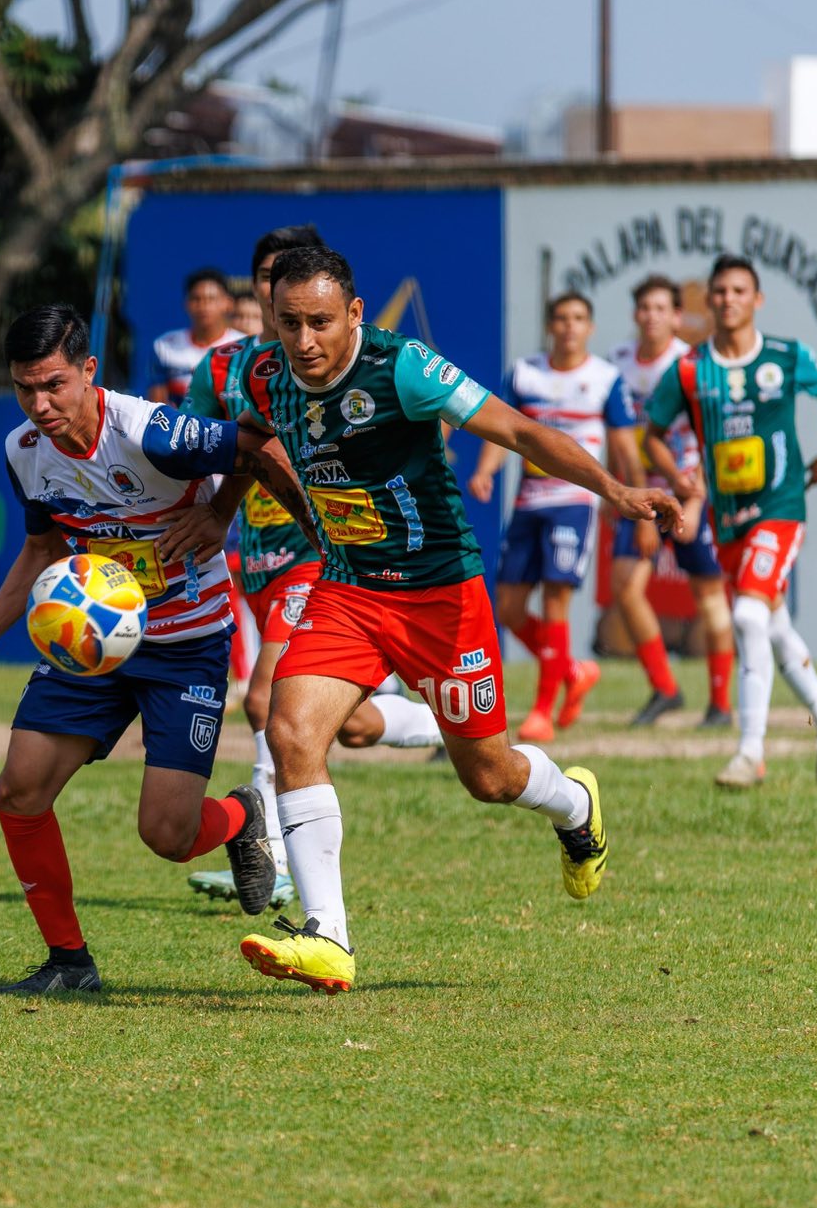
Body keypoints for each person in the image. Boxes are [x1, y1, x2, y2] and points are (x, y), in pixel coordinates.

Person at [222, 247, 679, 993]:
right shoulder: (266, 376)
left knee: (490, 777)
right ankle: (327, 935)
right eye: (288, 323)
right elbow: (254, 447)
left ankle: (574, 802)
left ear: (356, 315)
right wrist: (241, 522)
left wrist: (616, 491)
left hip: (442, 594)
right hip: (350, 587)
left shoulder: (404, 368)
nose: (304, 341)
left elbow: (523, 435)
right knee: (288, 725)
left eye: (320, 323)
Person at [0, 304, 313, 996]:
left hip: (188, 642)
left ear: (88, 371)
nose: (38, 405)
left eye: (53, 385)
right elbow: (41, 549)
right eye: (23, 389)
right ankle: (68, 961)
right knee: (19, 788)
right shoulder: (24, 453)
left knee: (165, 833)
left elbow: (260, 444)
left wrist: (220, 514)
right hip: (91, 647)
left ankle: (238, 816)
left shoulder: (152, 432)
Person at [182, 226, 445, 911]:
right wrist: (214, 515)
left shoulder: (357, 364)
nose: (286, 296)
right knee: (346, 726)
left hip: (319, 556)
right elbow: (238, 450)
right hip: (258, 560)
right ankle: (449, 724)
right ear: (262, 295)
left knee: (268, 703)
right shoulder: (228, 370)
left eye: (297, 283)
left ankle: (273, 852)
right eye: (272, 281)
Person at [641, 253, 817, 790]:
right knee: (772, 626)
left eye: (739, 291)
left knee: (749, 619)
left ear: (757, 300)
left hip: (781, 505)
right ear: (707, 301)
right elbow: (653, 435)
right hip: (727, 518)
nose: (729, 299)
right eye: (720, 291)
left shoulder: (785, 355)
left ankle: (750, 753)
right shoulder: (689, 370)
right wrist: (678, 478)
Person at [468, 292, 641, 743]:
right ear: (550, 324)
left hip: (574, 502)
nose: (569, 326)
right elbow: (502, 429)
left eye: (578, 318)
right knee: (506, 606)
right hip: (528, 503)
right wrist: (486, 471)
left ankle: (542, 710)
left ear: (591, 327)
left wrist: (630, 495)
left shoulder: (605, 378)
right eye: (561, 318)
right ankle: (572, 670)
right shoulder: (526, 373)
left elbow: (624, 444)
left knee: (555, 601)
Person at [608, 274, 735, 728]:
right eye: (645, 308)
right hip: (640, 488)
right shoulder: (618, 362)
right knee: (626, 587)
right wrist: (614, 489)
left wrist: (698, 497)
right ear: (635, 314)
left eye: (662, 308)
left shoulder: (692, 362)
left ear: (677, 316)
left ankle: (721, 704)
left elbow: (711, 431)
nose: (652, 316)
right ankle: (665, 688)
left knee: (708, 594)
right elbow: (616, 432)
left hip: (686, 489)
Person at [147, 267, 245, 405]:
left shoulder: (244, 346)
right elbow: (156, 406)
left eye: (211, 299)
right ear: (186, 303)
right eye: (196, 299)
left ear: (228, 303)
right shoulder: (164, 345)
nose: (203, 306)